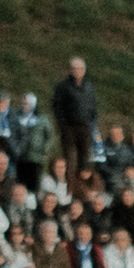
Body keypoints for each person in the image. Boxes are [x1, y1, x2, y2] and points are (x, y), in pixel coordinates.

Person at [52, 57, 97, 188]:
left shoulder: (89, 86)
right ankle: (68, 184)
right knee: (69, 156)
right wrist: (62, 124)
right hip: (69, 126)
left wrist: (91, 120)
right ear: (71, 70)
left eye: (80, 69)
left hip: (85, 126)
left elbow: (93, 106)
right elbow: (57, 106)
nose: (77, 71)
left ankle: (82, 186)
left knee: (84, 158)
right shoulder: (63, 86)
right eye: (75, 69)